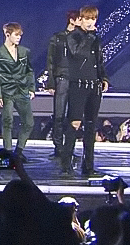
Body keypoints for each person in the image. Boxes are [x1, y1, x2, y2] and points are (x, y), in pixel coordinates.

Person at [60, 5, 109, 177]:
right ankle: (66, 165)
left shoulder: (96, 38)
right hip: (78, 85)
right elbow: (77, 53)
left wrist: (104, 78)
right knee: (74, 123)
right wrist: (88, 36)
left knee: (91, 125)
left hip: (94, 86)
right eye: (87, 19)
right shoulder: (73, 36)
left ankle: (88, 167)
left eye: (93, 19)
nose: (90, 22)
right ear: (80, 19)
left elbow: (99, 60)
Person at [0, 22, 36, 162]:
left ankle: (19, 151)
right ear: (7, 34)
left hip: (21, 90)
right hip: (6, 91)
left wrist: (31, 88)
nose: (19, 38)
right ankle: (8, 152)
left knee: (29, 122)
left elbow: (29, 71)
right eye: (16, 35)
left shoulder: (24, 52)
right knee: (7, 121)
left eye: (20, 35)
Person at [46, 10, 81, 158]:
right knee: (59, 115)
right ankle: (58, 148)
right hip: (61, 78)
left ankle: (69, 148)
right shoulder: (58, 38)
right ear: (72, 20)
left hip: (77, 80)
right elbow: (50, 60)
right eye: (79, 19)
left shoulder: (82, 38)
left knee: (74, 116)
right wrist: (50, 83)